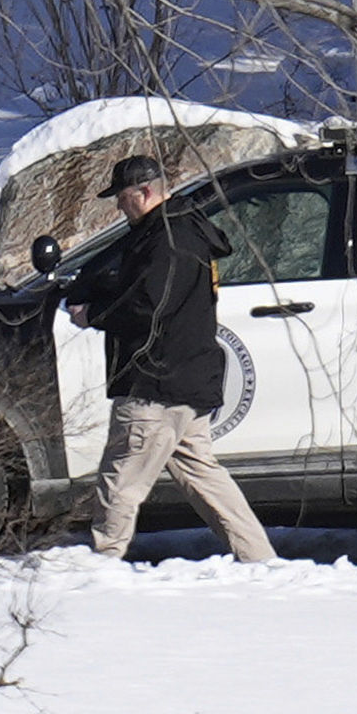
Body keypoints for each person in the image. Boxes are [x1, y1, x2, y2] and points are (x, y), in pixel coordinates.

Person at [64, 155, 273, 563]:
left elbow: (148, 304)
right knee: (206, 479)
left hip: (153, 383)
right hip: (188, 380)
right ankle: (262, 562)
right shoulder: (186, 229)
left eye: (123, 198)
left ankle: (100, 568)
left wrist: (94, 314)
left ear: (144, 192)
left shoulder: (164, 239)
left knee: (120, 482)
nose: (119, 207)